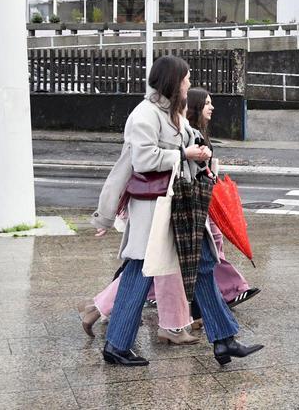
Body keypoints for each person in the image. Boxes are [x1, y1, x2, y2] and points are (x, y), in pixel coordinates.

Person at [92, 55, 262, 367]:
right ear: (173, 81)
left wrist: (200, 151)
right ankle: (116, 345)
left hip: (178, 207)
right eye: (185, 78)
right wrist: (184, 153)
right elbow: (143, 160)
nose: (188, 83)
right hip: (155, 211)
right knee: (140, 272)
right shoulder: (144, 115)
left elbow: (189, 139)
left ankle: (224, 340)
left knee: (204, 264)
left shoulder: (171, 113)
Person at [186, 87, 260, 308]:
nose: (212, 107)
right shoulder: (190, 133)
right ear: (196, 106)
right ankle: (231, 290)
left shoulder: (199, 131)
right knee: (210, 247)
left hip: (203, 198)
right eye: (207, 103)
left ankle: (229, 291)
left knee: (210, 246)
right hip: (196, 200)